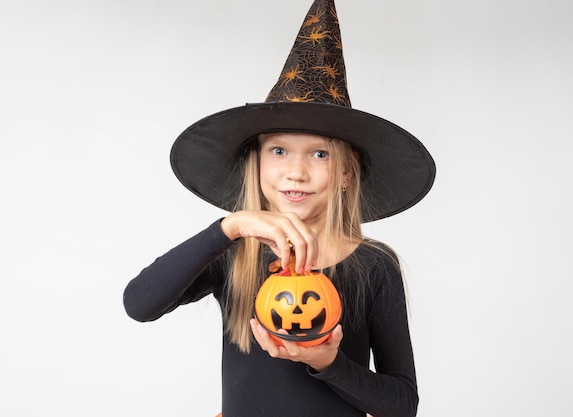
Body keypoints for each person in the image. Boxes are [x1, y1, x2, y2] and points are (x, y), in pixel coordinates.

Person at [123, 1, 435, 416]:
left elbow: (401, 405)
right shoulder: (236, 253)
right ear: (257, 162)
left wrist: (328, 363)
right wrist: (229, 227)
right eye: (279, 150)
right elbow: (139, 303)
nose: (296, 173)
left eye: (320, 155)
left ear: (346, 172)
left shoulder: (374, 266)